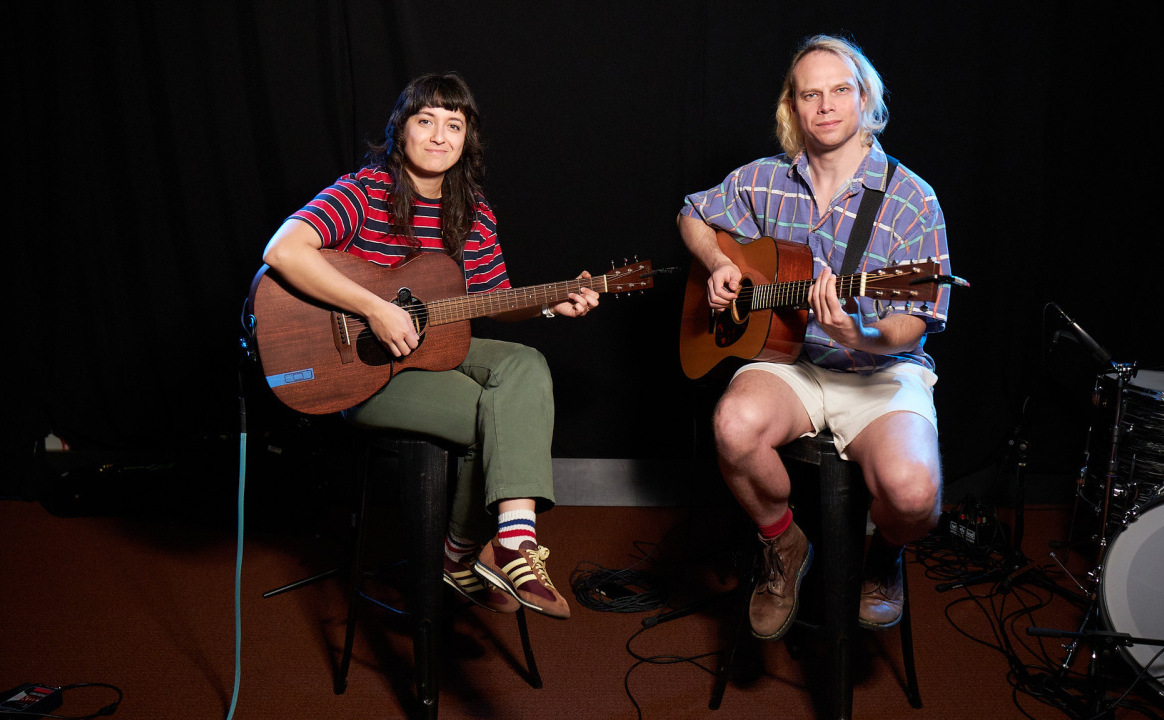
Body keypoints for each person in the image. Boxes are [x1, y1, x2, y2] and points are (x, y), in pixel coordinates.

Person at [263, 72, 598, 620]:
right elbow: (283, 250)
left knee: (525, 363)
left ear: (468, 139)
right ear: (402, 130)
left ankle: (510, 540)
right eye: (426, 121)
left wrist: (549, 302)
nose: (440, 136)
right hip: (361, 372)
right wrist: (375, 308)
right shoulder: (362, 192)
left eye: (454, 125)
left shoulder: (473, 210)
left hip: (436, 353)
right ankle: (462, 552)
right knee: (497, 416)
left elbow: (492, 299)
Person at [677, 34, 951, 640]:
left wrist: (860, 330)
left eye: (840, 90)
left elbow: (912, 323)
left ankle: (884, 555)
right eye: (810, 95)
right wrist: (720, 264)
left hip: (880, 370)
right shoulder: (764, 179)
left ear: (865, 100)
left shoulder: (911, 199)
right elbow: (692, 214)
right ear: (793, 108)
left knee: (913, 496)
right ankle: (782, 541)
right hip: (790, 361)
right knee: (733, 426)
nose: (826, 105)